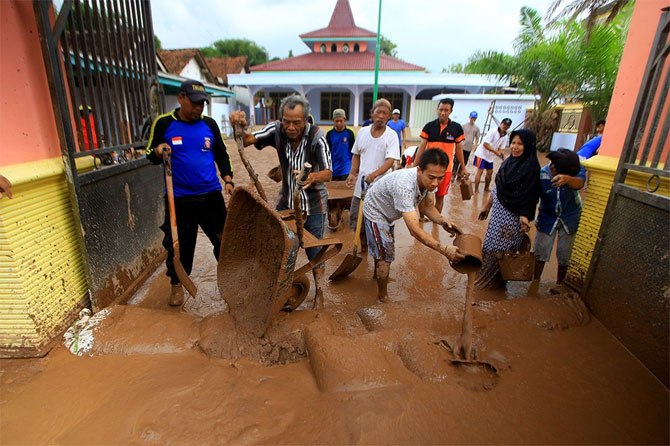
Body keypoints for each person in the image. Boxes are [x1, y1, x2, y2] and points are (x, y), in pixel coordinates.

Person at [230, 95, 332, 309]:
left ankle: (320, 293)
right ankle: (279, 288)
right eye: (287, 121)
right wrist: (238, 127)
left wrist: (311, 177)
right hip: (286, 203)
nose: (291, 127)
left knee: (316, 252)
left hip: (314, 205)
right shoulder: (276, 130)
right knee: (280, 247)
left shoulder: (316, 137)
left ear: (306, 120)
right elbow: (248, 140)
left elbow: (328, 172)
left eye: (296, 122)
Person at [146, 79, 235, 306]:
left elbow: (222, 155)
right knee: (179, 246)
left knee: (225, 242)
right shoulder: (165, 123)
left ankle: (231, 281)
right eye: (194, 103)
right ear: (181, 98)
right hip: (179, 199)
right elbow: (149, 153)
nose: (198, 108)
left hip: (211, 196)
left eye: (202, 104)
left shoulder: (210, 125)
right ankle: (178, 285)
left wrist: (228, 179)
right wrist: (159, 150)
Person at [362, 148, 465, 302]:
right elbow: (415, 230)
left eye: (440, 178)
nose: (435, 183)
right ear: (419, 170)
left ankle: (378, 275)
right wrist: (444, 250)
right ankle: (382, 296)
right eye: (431, 177)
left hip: (389, 210)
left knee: (383, 248)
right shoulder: (404, 186)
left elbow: (427, 207)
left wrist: (443, 221)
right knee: (386, 254)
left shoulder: (430, 181)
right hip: (376, 210)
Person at [475, 129, 541, 290]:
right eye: (513, 143)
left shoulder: (531, 167)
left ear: (528, 146)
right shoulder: (508, 162)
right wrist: (487, 206)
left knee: (502, 252)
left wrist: (525, 216)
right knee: (489, 247)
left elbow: (531, 194)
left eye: (520, 144)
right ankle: (486, 284)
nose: (515, 147)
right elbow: (498, 187)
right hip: (498, 214)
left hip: (513, 217)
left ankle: (489, 286)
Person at [529, 148, 586, 295]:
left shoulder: (575, 169)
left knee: (564, 254)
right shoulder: (541, 174)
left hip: (570, 216)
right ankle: (535, 283)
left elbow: (579, 183)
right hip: (547, 217)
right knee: (540, 252)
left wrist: (568, 179)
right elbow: (532, 197)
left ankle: (560, 285)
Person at [346, 99, 400, 251]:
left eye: (385, 113)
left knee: (382, 224)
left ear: (389, 116)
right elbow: (356, 155)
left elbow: (390, 160)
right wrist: (352, 173)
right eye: (378, 112)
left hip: (381, 190)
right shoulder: (362, 132)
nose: (381, 116)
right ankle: (362, 252)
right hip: (361, 188)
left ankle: (382, 256)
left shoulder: (391, 136)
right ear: (372, 114)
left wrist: (374, 175)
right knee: (358, 222)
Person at [414, 98, 467, 214]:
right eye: (441, 109)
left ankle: (436, 223)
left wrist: (463, 167)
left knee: (440, 196)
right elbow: (422, 147)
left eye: (446, 110)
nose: (443, 113)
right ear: (437, 110)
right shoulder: (429, 126)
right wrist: (414, 165)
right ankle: (422, 217)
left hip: (446, 170)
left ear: (451, 111)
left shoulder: (456, 128)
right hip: (428, 168)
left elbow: (459, 149)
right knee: (422, 195)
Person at [472, 118, 512, 193]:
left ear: (509, 127)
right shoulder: (493, 131)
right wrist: (496, 152)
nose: (505, 126)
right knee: (480, 171)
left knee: (490, 172)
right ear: (501, 124)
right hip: (481, 154)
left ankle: (486, 189)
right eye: (504, 124)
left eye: (507, 125)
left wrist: (503, 157)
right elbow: (485, 144)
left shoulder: (505, 136)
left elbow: (501, 149)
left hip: (489, 156)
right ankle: (476, 190)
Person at [326, 108, 355, 181]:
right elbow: (327, 151)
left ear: (345, 120)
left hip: (346, 167)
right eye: (337, 121)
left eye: (341, 121)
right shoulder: (329, 134)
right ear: (333, 121)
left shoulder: (349, 133)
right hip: (334, 168)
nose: (339, 123)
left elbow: (354, 151)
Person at [453, 111, 480, 179]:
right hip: (461, 147)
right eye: (472, 117)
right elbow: (458, 136)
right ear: (469, 117)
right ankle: (453, 175)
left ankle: (459, 175)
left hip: (468, 148)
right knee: (456, 161)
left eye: (474, 118)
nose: (473, 119)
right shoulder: (463, 126)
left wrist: (475, 145)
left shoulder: (476, 128)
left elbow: (477, 138)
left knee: (464, 163)